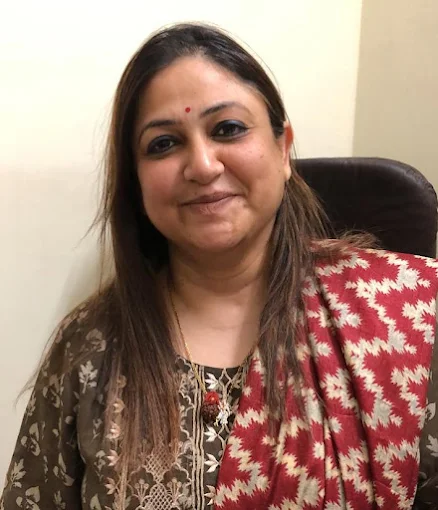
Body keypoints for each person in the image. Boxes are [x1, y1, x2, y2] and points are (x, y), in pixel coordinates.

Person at [1, 22, 438, 510]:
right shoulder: (89, 347)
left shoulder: (411, 314)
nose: (203, 165)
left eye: (227, 128)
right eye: (163, 144)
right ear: (136, 180)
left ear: (283, 148)